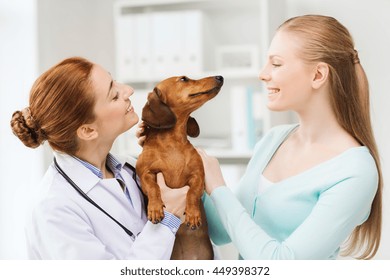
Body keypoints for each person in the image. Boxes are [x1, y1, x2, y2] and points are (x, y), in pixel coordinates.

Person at [197, 15, 382, 259]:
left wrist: (218, 187)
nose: (263, 74)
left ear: (318, 75)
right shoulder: (273, 140)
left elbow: (283, 264)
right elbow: (221, 231)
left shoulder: (355, 171)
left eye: (276, 64)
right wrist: (187, 166)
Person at [10, 56, 189, 259]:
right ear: (87, 130)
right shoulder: (53, 209)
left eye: (114, 81)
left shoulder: (130, 168)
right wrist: (169, 219)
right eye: (114, 95)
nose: (128, 90)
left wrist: (164, 150)